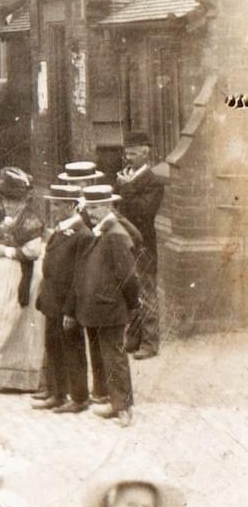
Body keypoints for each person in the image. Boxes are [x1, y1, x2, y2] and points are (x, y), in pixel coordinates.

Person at [0, 168, 46, 392]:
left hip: (22, 275)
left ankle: (19, 377)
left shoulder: (31, 221)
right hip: (0, 276)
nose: (10, 205)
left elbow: (32, 252)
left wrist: (6, 252)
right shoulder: (5, 220)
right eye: (6, 201)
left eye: (15, 201)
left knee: (15, 321)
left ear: (25, 200)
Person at [74, 185, 141, 428]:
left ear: (108, 207)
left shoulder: (115, 234)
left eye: (95, 207)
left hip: (110, 306)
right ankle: (110, 401)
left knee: (114, 356)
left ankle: (123, 407)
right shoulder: (102, 229)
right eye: (88, 207)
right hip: (97, 306)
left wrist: (132, 305)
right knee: (103, 355)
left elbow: (129, 277)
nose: (90, 212)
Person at [32, 182, 92, 414]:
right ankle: (57, 392)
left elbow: (79, 277)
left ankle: (78, 397)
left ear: (71, 206)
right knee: (54, 347)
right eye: (54, 204)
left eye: (58, 204)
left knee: (72, 350)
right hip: (52, 301)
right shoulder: (62, 229)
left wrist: (71, 310)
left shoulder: (81, 234)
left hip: (67, 304)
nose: (54, 208)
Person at [116, 131, 164, 361]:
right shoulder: (127, 178)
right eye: (127, 154)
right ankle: (134, 338)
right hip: (125, 242)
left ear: (146, 154)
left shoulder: (154, 182)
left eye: (133, 154)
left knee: (146, 291)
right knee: (130, 291)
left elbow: (144, 213)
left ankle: (150, 342)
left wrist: (127, 187)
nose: (128, 158)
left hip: (144, 246)